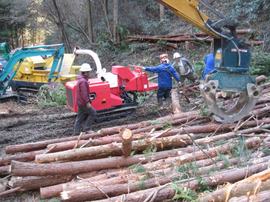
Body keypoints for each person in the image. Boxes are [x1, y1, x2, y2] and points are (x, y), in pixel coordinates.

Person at [74, 63, 97, 135]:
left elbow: (83, 92)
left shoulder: (81, 79)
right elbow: (84, 93)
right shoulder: (83, 81)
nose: (90, 72)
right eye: (89, 71)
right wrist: (87, 102)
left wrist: (88, 98)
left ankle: (77, 132)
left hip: (79, 101)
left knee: (79, 117)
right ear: (86, 72)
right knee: (93, 113)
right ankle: (87, 128)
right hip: (83, 102)